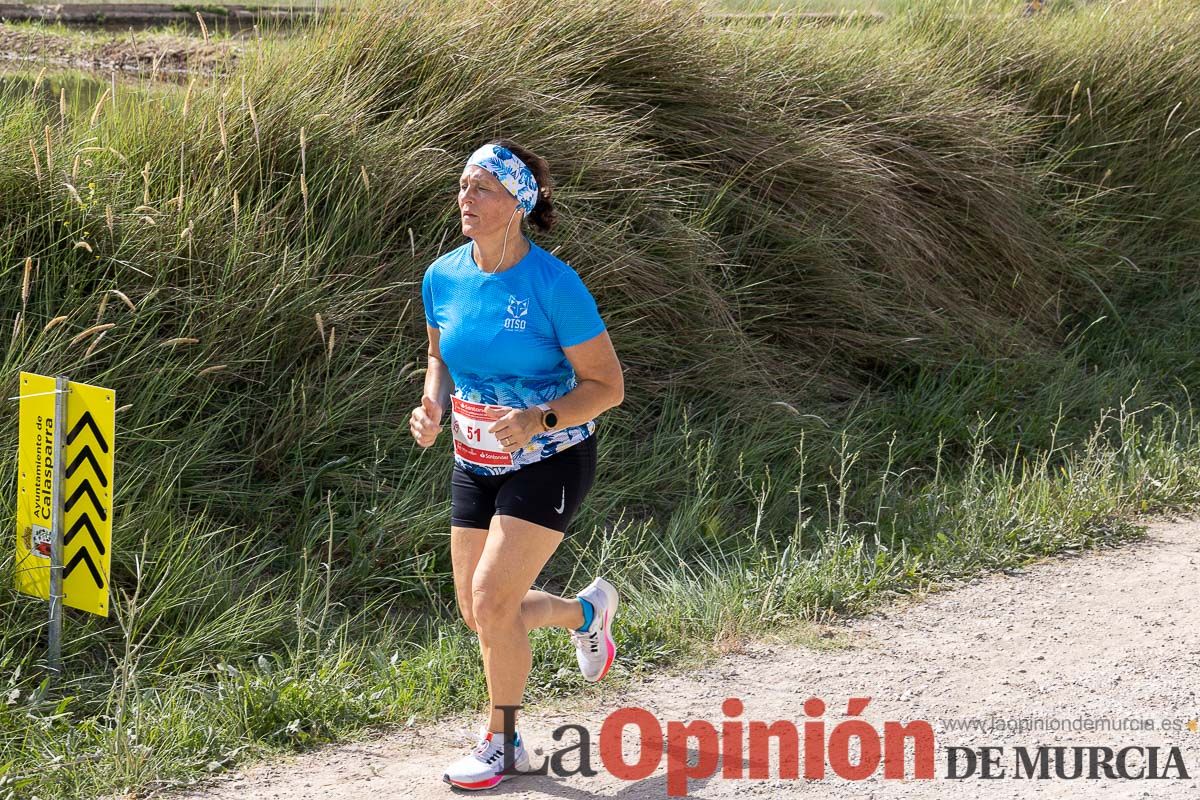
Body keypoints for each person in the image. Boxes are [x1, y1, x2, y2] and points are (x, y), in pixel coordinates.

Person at [410, 140, 625, 791]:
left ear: (517, 204)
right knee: (481, 612)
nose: (465, 200)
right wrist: (431, 404)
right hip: (473, 461)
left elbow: (608, 386)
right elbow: (441, 357)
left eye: (482, 189)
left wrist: (538, 418)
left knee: (491, 600)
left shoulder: (553, 285)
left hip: (551, 459)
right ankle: (587, 616)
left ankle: (504, 743)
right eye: (463, 186)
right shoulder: (442, 276)